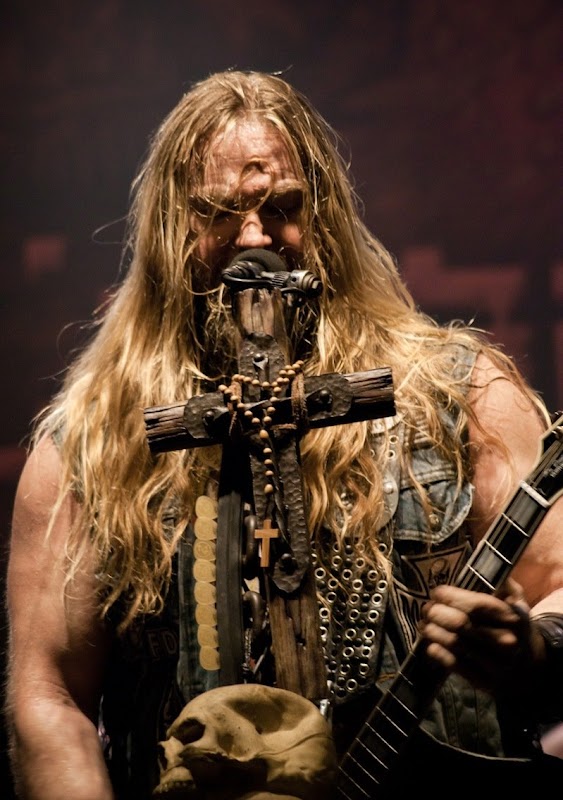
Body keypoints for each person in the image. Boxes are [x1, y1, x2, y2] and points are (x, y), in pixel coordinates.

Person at [5, 70, 563, 800]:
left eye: (283, 207)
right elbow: (51, 700)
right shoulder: (93, 445)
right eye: (219, 212)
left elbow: (557, 582)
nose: (255, 238)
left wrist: (533, 649)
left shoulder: (458, 397)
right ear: (172, 229)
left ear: (325, 217)